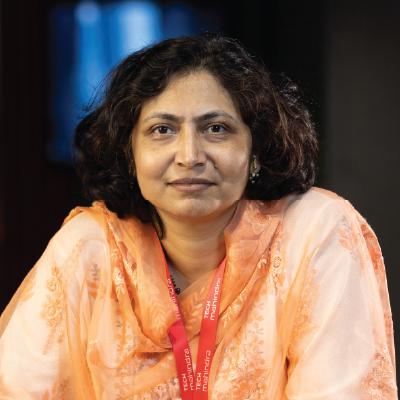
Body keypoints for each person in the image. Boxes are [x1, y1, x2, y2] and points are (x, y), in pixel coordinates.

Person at [0, 33, 397, 399]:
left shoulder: (314, 233)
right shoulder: (90, 248)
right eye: (162, 130)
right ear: (129, 153)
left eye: (216, 128)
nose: (189, 156)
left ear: (256, 150)